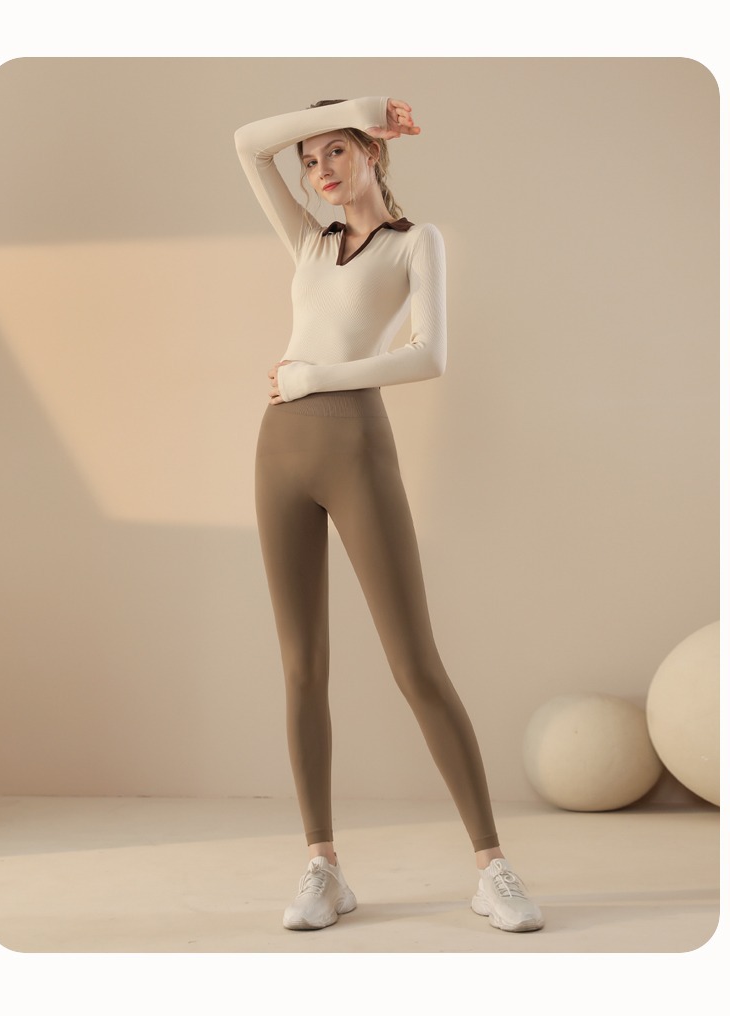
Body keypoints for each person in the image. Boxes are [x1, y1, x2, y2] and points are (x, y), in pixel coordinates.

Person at [234, 96, 544, 934]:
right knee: (302, 665)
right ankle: (323, 867)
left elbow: (428, 355)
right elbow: (246, 144)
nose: (319, 170)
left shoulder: (415, 242)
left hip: (354, 445)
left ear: (373, 153)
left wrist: (315, 378)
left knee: (416, 663)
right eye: (310, 160)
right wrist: (351, 107)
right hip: (279, 450)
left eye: (337, 151)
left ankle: (492, 868)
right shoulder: (309, 241)